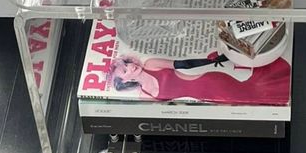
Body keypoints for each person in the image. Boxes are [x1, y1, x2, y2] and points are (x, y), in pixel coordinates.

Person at [110, 51, 290, 104]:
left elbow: (185, 64)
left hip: (211, 82)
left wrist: (215, 58)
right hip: (204, 100)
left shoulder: (150, 64)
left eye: (127, 63)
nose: (131, 67)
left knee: (252, 95)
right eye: (125, 71)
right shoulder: (145, 95)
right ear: (125, 81)